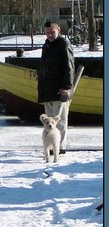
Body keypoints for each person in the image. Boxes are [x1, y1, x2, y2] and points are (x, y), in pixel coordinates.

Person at [37, 21, 75, 153]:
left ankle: (61, 147)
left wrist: (66, 86)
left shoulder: (64, 45)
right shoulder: (46, 45)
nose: (50, 35)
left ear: (58, 30)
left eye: (52, 32)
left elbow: (69, 67)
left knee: (60, 120)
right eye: (47, 32)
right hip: (47, 89)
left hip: (60, 89)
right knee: (49, 121)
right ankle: (51, 146)